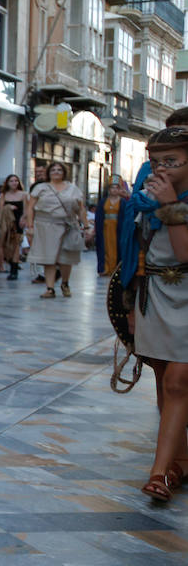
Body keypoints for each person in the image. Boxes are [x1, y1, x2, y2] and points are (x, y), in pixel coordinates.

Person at [117, 126, 188, 500]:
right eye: (156, 161)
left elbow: (185, 253)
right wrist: (128, 304)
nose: (161, 169)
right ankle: (181, 461)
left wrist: (170, 205)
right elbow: (132, 254)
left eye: (172, 161)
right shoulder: (144, 200)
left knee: (178, 381)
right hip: (154, 295)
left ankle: (158, 473)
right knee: (164, 382)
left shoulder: (167, 199)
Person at [26, 160, 88, 299]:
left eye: (59, 170)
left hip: (68, 226)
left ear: (64, 173)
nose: (56, 172)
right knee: (49, 258)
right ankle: (50, 288)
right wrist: (30, 226)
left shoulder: (73, 189)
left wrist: (86, 225)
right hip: (46, 226)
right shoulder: (40, 188)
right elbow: (30, 207)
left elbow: (80, 209)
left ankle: (65, 283)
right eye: (53, 170)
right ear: (49, 173)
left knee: (66, 258)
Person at [95, 176, 129, 276]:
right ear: (109, 189)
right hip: (105, 229)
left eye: (116, 188)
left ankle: (116, 269)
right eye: (112, 187)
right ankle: (104, 268)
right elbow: (99, 216)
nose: (114, 190)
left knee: (118, 247)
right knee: (104, 247)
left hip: (118, 229)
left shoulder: (123, 202)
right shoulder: (103, 202)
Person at [0, 174, 27, 280]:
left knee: (16, 245)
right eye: (11, 181)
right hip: (6, 223)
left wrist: (24, 219)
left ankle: (14, 270)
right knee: (4, 244)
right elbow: (0, 210)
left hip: (18, 222)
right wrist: (8, 207)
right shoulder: (3, 195)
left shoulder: (23, 195)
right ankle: (6, 263)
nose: (14, 183)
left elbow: (26, 209)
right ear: (7, 183)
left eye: (16, 181)